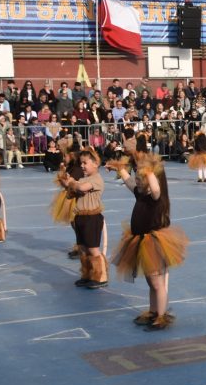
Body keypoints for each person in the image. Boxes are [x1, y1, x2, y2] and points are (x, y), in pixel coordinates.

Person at [110, 140, 188, 330]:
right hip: (140, 240)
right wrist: (120, 169)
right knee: (151, 281)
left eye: (141, 176)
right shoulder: (140, 194)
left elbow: (155, 188)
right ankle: (153, 311)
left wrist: (150, 172)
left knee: (156, 281)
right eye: (137, 174)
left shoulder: (155, 197)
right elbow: (129, 182)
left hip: (153, 242)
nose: (137, 177)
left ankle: (161, 315)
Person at [62, 149, 107, 288]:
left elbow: (81, 188)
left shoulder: (96, 179)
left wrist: (72, 183)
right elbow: (71, 194)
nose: (82, 166)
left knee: (93, 249)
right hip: (80, 217)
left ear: (95, 164)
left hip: (92, 217)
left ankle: (100, 276)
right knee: (82, 248)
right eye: (81, 163)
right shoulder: (82, 178)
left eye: (85, 163)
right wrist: (67, 183)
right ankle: (87, 274)